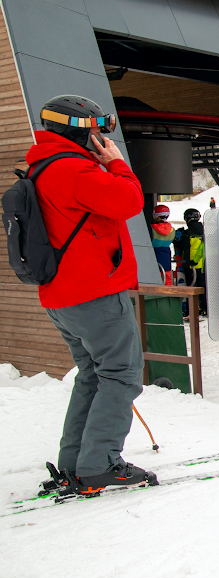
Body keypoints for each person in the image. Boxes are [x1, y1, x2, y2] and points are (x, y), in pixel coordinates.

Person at [30, 94, 153, 492]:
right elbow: (130, 201)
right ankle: (100, 463)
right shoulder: (73, 170)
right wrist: (116, 162)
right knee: (120, 375)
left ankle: (76, 462)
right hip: (94, 294)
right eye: (98, 130)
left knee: (93, 376)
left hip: (63, 297)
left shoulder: (43, 166)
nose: (102, 137)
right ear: (81, 132)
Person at [150, 203, 175, 278]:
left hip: (153, 257)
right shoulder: (172, 230)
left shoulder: (152, 229)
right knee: (167, 280)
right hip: (166, 257)